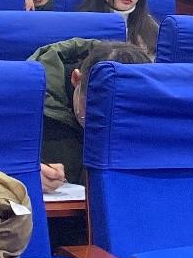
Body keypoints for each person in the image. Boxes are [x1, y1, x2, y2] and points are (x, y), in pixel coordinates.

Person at [32, 39, 151, 191]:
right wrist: (26, 176)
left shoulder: (150, 110)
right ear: (76, 79)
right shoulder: (32, 104)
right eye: (95, 109)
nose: (104, 124)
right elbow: (6, 164)